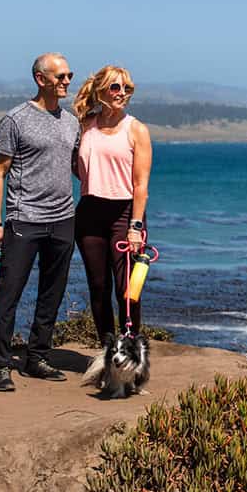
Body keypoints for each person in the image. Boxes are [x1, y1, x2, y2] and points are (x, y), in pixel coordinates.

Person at [0, 53, 81, 393]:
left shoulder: (71, 122)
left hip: (63, 219)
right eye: (61, 76)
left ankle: (36, 357)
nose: (67, 81)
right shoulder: (16, 120)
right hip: (23, 219)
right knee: (8, 293)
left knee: (51, 293)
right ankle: (0, 365)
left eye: (70, 75)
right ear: (41, 79)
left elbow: (76, 168)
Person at [71, 65, 153, 345]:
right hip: (89, 213)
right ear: (101, 90)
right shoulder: (84, 124)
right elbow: (75, 164)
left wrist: (135, 227)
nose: (122, 93)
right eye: (115, 87)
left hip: (125, 214)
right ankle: (108, 352)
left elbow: (141, 185)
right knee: (98, 286)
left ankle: (130, 350)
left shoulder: (136, 129)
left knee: (127, 290)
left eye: (126, 88)